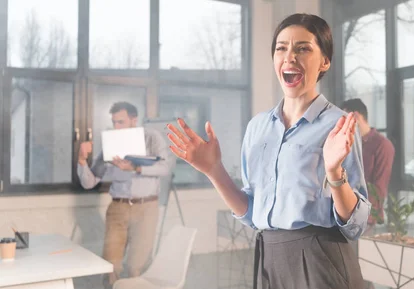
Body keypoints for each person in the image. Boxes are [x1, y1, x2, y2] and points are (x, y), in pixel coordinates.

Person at [167, 13, 370, 289]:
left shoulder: (338, 125)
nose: (290, 57)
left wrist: (334, 172)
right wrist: (214, 170)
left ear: (324, 61)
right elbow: (251, 212)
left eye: (303, 48)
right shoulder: (258, 127)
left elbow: (355, 224)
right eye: (281, 48)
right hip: (269, 256)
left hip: (320, 258)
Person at [77, 101, 171, 288]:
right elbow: (89, 182)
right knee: (110, 264)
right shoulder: (110, 144)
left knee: (137, 265)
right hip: (118, 208)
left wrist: (135, 168)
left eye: (120, 122)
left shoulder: (152, 137)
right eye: (114, 122)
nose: (116, 127)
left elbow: (165, 168)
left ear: (134, 120)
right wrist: (81, 160)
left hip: (146, 208)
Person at [341, 98, 395, 236]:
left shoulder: (382, 144)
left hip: (364, 218)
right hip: (345, 211)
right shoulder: (350, 142)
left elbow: (379, 187)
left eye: (345, 118)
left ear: (356, 116)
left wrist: (362, 216)